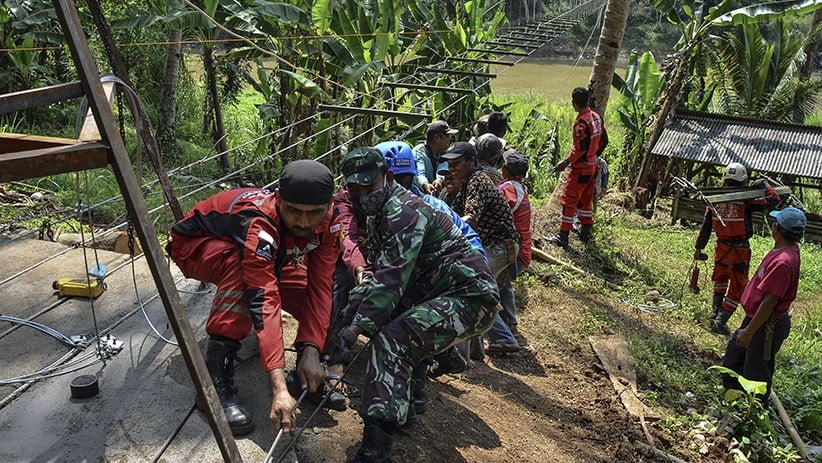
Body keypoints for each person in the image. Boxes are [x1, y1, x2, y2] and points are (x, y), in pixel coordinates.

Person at [326, 147, 499, 462]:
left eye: (369, 186)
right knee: (398, 321)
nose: (363, 194)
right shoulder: (381, 214)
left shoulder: (403, 211)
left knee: (392, 341)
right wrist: (349, 315)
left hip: (470, 298)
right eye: (355, 189)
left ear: (388, 178)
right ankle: (407, 407)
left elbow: (390, 283)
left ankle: (375, 450)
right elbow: (378, 276)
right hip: (436, 292)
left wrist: (351, 333)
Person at [166, 160, 339, 436]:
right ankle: (212, 383)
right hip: (194, 246)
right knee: (241, 270)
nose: (304, 222)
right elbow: (263, 296)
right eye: (293, 211)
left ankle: (305, 374)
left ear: (329, 205)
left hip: (274, 255)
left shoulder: (330, 223)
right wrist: (278, 387)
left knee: (321, 295)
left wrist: (312, 349)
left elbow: (321, 286)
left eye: (314, 213)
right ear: (278, 199)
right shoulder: (259, 222)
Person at [442, 141, 521, 354]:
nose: (452, 169)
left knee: (469, 287)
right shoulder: (466, 183)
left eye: (456, 163)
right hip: (493, 245)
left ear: (471, 162)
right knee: (477, 290)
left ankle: (494, 341)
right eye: (449, 164)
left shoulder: (477, 180)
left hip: (500, 245)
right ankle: (476, 350)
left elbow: (470, 218)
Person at [721, 207, 805, 401]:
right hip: (757, 319)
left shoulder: (783, 262)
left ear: (776, 228)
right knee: (733, 362)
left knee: (756, 376)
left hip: (765, 325)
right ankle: (734, 404)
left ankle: (753, 416)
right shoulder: (783, 251)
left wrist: (750, 332)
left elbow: (769, 302)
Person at [694, 162, 780, 334]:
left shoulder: (714, 201)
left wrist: (698, 248)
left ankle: (715, 311)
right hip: (739, 250)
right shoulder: (746, 200)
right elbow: (774, 200)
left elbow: (706, 227)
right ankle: (721, 320)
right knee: (738, 286)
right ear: (743, 180)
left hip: (721, 247)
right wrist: (766, 185)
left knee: (721, 278)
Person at [548, 87, 608, 248]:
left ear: (574, 103)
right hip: (593, 166)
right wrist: (594, 155)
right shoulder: (596, 117)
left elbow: (579, 148)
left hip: (581, 168)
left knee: (569, 201)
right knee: (585, 199)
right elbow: (604, 140)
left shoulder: (581, 122)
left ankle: (563, 236)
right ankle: (586, 229)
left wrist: (565, 162)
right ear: (587, 100)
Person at [497, 149, 532, 338]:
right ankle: (509, 322)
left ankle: (503, 332)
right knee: (503, 283)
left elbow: (498, 211)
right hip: (522, 251)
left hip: (514, 253)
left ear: (504, 169)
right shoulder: (520, 188)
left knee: (491, 284)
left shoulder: (507, 189)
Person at [411, 120, 457, 194]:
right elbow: (418, 174)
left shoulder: (444, 152)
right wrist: (425, 184)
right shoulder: (419, 152)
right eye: (447, 135)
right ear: (437, 138)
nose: (450, 138)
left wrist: (440, 179)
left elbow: (443, 166)